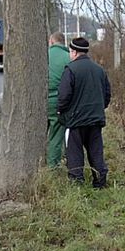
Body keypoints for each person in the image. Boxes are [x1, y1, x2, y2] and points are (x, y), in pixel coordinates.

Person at [57, 37, 111, 188]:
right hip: (95, 120)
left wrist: (61, 111)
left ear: (74, 52)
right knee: (96, 152)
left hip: (75, 121)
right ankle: (100, 182)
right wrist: (98, 110)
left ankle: (77, 184)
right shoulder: (99, 70)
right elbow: (107, 95)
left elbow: (64, 96)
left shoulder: (70, 69)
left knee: (74, 153)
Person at [47, 31, 70, 168]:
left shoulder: (42, 56)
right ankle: (52, 166)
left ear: (51, 41)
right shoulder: (68, 58)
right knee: (56, 135)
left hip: (39, 101)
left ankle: (37, 164)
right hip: (58, 102)